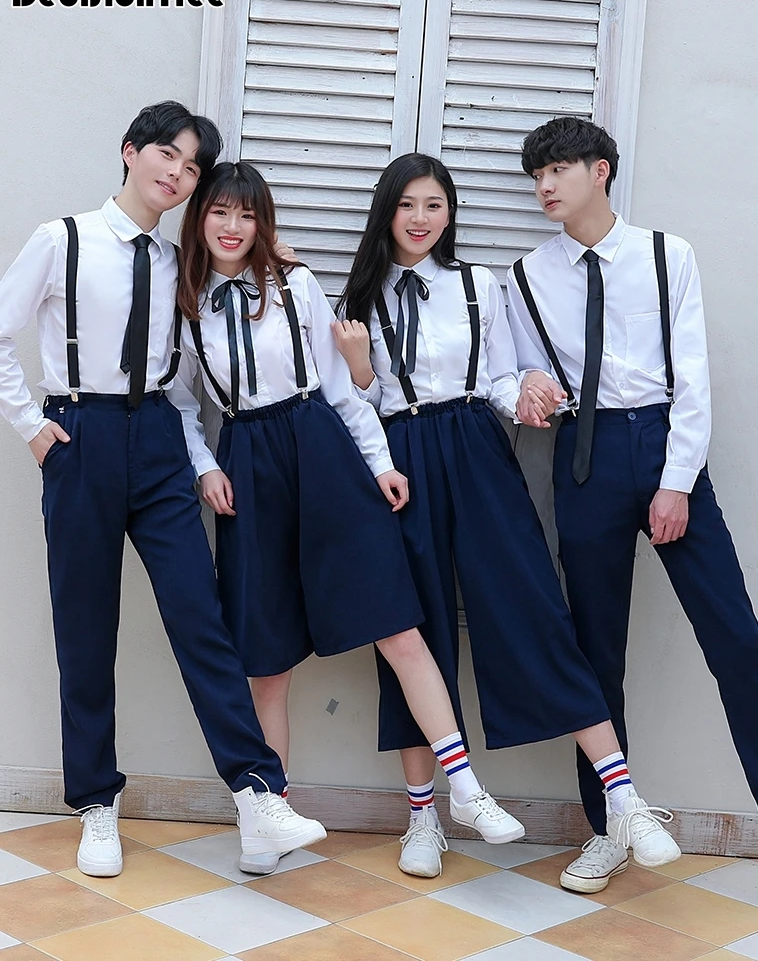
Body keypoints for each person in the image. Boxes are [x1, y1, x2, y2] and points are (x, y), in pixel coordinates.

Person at [169, 159, 526, 878]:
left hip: (321, 447)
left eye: (247, 214)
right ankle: (265, 815)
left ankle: (464, 789)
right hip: (247, 461)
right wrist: (205, 466)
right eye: (219, 213)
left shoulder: (296, 284)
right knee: (266, 661)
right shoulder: (185, 303)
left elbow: (339, 388)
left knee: (397, 623)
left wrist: (380, 462)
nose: (233, 227)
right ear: (199, 218)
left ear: (264, 222)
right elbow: (179, 401)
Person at [332, 151, 680, 886]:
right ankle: (424, 816)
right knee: (416, 628)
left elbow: (500, 377)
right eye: (407, 205)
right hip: (397, 459)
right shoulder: (357, 302)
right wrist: (360, 367)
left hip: (477, 447)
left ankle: (623, 799)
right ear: (386, 211)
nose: (421, 218)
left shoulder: (478, 285)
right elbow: (352, 406)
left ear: (449, 212)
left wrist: (525, 390)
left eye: (434, 204)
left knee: (533, 607)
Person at [0, 101, 326, 879]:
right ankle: (96, 802)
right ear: (130, 151)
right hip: (79, 434)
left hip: (157, 441)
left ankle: (257, 792)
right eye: (168, 156)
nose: (178, 174)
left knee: (199, 616)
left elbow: (190, 373)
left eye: (191, 167)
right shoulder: (63, 239)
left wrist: (200, 460)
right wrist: (32, 426)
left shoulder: (181, 262)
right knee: (85, 626)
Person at [507, 114, 758, 892]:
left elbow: (693, 374)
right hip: (583, 454)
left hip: (664, 444)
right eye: (537, 176)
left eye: (558, 169)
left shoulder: (664, 255)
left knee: (735, 636)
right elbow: (516, 369)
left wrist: (676, 479)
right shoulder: (526, 275)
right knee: (594, 651)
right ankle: (610, 824)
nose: (545, 186)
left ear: (600, 171)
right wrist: (526, 384)